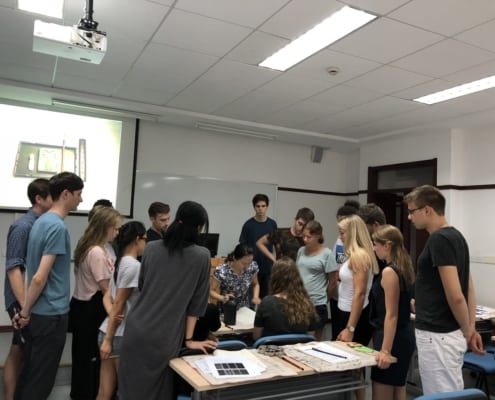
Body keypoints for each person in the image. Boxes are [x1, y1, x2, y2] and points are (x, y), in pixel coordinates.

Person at [118, 201, 217, 400]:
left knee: (130, 391)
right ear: (199, 227)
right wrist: (189, 340)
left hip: (135, 329)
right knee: (158, 392)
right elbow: (197, 305)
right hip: (165, 336)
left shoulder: (151, 248)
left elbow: (143, 285)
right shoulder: (202, 256)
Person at [404, 185, 484, 394]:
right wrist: (470, 327)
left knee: (440, 395)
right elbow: (469, 287)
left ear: (427, 210)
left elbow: (456, 296)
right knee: (451, 392)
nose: (410, 217)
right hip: (446, 334)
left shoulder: (439, 239)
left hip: (438, 335)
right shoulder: (457, 237)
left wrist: (468, 330)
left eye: (412, 211)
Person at [13, 172, 84, 400]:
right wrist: (25, 311)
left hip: (39, 314)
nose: (81, 199)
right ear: (66, 194)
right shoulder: (56, 227)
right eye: (78, 194)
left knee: (30, 374)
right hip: (51, 316)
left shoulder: (40, 222)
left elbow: (32, 271)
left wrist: (26, 310)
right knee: (40, 382)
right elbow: (38, 277)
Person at [3, 178, 52, 400]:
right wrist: (25, 307)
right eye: (52, 196)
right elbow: (14, 270)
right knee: (20, 351)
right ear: (39, 199)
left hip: (29, 302)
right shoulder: (23, 226)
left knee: (19, 350)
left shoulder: (42, 224)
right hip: (20, 300)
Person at [69, 206, 123, 400]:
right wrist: (114, 315)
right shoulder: (97, 252)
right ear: (104, 227)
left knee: (84, 354)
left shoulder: (94, 246)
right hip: (91, 308)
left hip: (85, 306)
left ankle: (84, 392)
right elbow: (106, 289)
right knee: (90, 355)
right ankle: (88, 393)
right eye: (115, 228)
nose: (117, 233)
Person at [97, 221, 147, 400]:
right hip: (119, 336)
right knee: (127, 393)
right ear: (136, 239)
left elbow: (107, 297)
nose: (146, 244)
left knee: (104, 392)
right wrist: (109, 340)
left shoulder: (121, 262)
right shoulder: (134, 266)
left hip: (108, 331)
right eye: (145, 239)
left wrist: (111, 319)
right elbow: (119, 303)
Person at [335, 214, 379, 400]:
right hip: (345, 312)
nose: (340, 237)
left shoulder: (359, 256)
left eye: (342, 233)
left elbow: (360, 293)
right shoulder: (353, 255)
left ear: (352, 233)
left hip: (354, 318)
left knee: (354, 366)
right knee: (350, 367)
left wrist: (350, 328)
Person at [370, 225, 416, 400]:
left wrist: (385, 350)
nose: (374, 248)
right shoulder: (404, 267)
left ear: (387, 245)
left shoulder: (390, 272)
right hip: (403, 335)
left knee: (383, 386)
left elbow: (391, 314)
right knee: (398, 387)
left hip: (392, 338)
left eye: (376, 244)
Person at [253, 257, 318, 339]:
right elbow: (310, 337)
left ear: (274, 277)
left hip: (271, 347)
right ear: (297, 277)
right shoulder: (307, 304)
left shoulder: (266, 303)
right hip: (298, 347)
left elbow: (256, 336)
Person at [296, 220, 336, 340]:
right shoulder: (301, 251)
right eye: (303, 236)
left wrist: (324, 299)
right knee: (298, 339)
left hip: (317, 304)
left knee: (313, 340)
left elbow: (332, 282)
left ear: (318, 236)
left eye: (309, 237)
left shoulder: (327, 254)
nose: (305, 239)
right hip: (299, 302)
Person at [330, 200, 360, 340]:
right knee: (336, 334)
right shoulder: (340, 239)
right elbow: (338, 261)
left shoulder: (358, 248)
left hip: (350, 297)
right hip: (339, 293)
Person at [239, 194, 277, 298]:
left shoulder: (272, 224)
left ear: (267, 207)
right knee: (251, 299)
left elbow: (275, 245)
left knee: (266, 298)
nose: (260, 209)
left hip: (268, 268)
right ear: (254, 207)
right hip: (251, 268)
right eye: (258, 206)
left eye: (263, 206)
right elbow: (243, 247)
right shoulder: (248, 225)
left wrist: (275, 261)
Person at [209, 243, 260, 309]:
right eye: (243, 263)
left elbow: (256, 284)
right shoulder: (222, 270)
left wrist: (255, 297)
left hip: (244, 308)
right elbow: (211, 291)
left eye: (249, 263)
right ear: (234, 258)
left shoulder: (253, 267)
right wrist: (222, 298)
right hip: (226, 308)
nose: (247, 267)